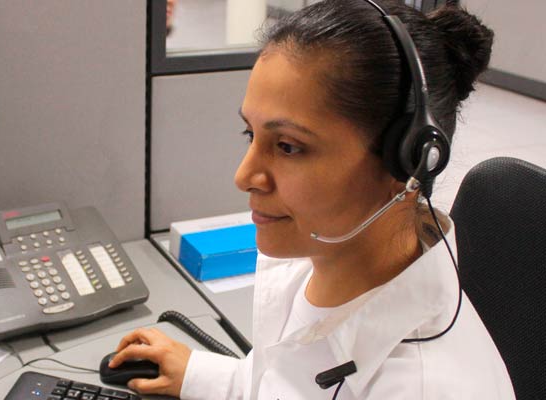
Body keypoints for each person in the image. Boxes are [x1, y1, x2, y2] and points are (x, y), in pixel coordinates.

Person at [110, 0, 515, 399]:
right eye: (251, 135)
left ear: (407, 160)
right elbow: (283, 383)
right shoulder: (318, 256)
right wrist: (201, 375)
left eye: (287, 147)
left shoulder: (425, 388)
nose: (243, 177)